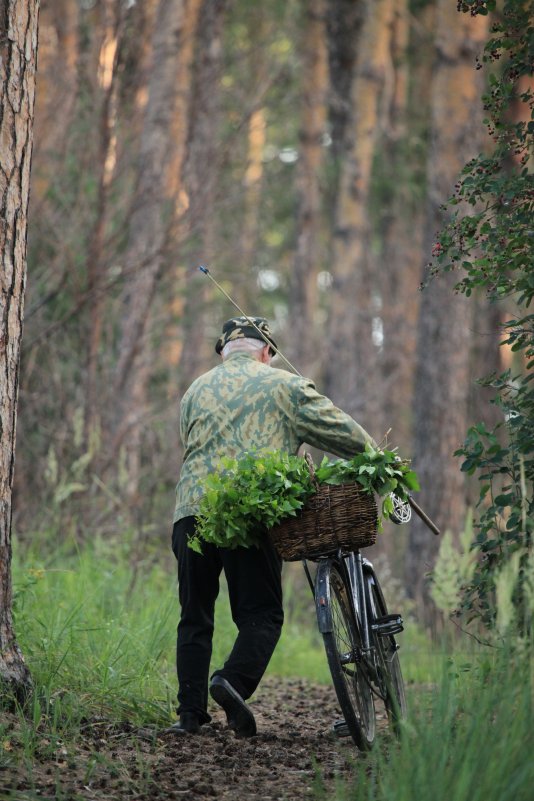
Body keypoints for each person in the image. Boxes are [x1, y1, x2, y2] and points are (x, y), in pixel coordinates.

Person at [169, 316, 375, 736]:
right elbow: (349, 438)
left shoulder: (194, 391)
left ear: (224, 352)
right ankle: (232, 681)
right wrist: (378, 460)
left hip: (189, 512)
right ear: (266, 352)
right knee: (261, 614)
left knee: (194, 614)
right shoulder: (286, 386)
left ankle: (189, 716)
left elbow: (189, 445)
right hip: (245, 512)